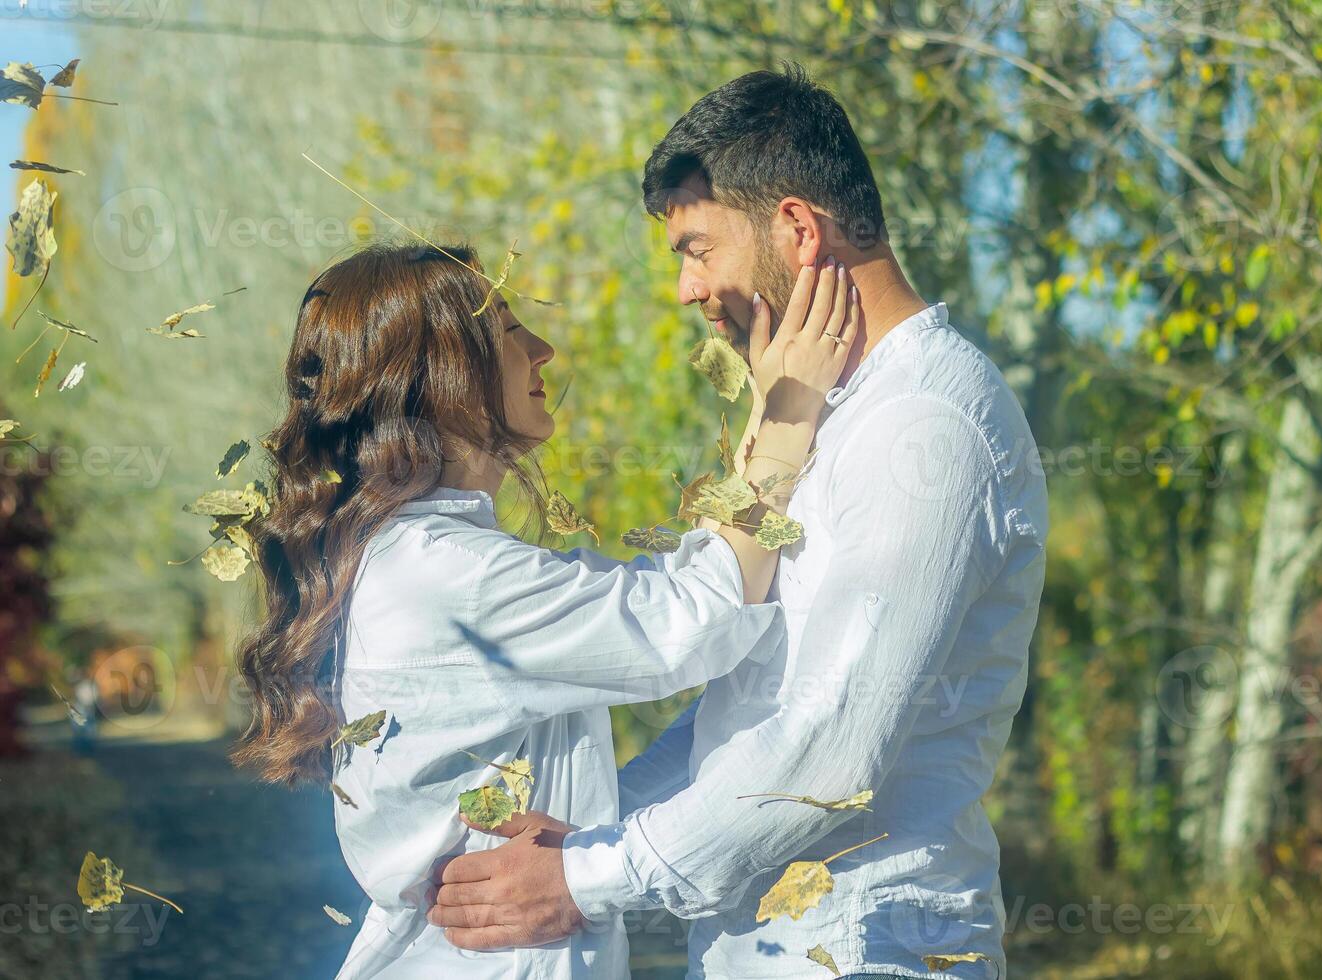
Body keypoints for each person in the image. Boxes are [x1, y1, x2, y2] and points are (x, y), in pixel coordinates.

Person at [429, 64, 1049, 980]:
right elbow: (750, 703)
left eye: (695, 247)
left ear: (797, 229)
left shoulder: (927, 424)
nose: (686, 288)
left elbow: (833, 747)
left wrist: (590, 877)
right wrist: (596, 835)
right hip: (768, 946)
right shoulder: (834, 415)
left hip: (869, 945)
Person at [232, 241, 858, 979]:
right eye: (507, 332)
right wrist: (789, 411)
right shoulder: (448, 575)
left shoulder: (411, 557)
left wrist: (760, 407)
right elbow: (697, 616)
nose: (544, 349)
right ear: (442, 379)